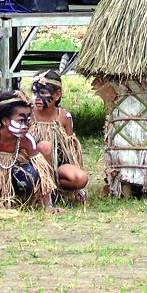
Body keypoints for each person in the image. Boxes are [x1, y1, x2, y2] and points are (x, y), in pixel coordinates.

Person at [29, 70, 89, 201]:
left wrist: (80, 188)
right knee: (45, 146)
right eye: (34, 93)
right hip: (32, 167)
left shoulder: (64, 117)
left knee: (80, 178)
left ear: (57, 95)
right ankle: (43, 193)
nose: (37, 98)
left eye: (43, 93)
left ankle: (56, 189)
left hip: (58, 166)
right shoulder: (27, 115)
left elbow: (72, 148)